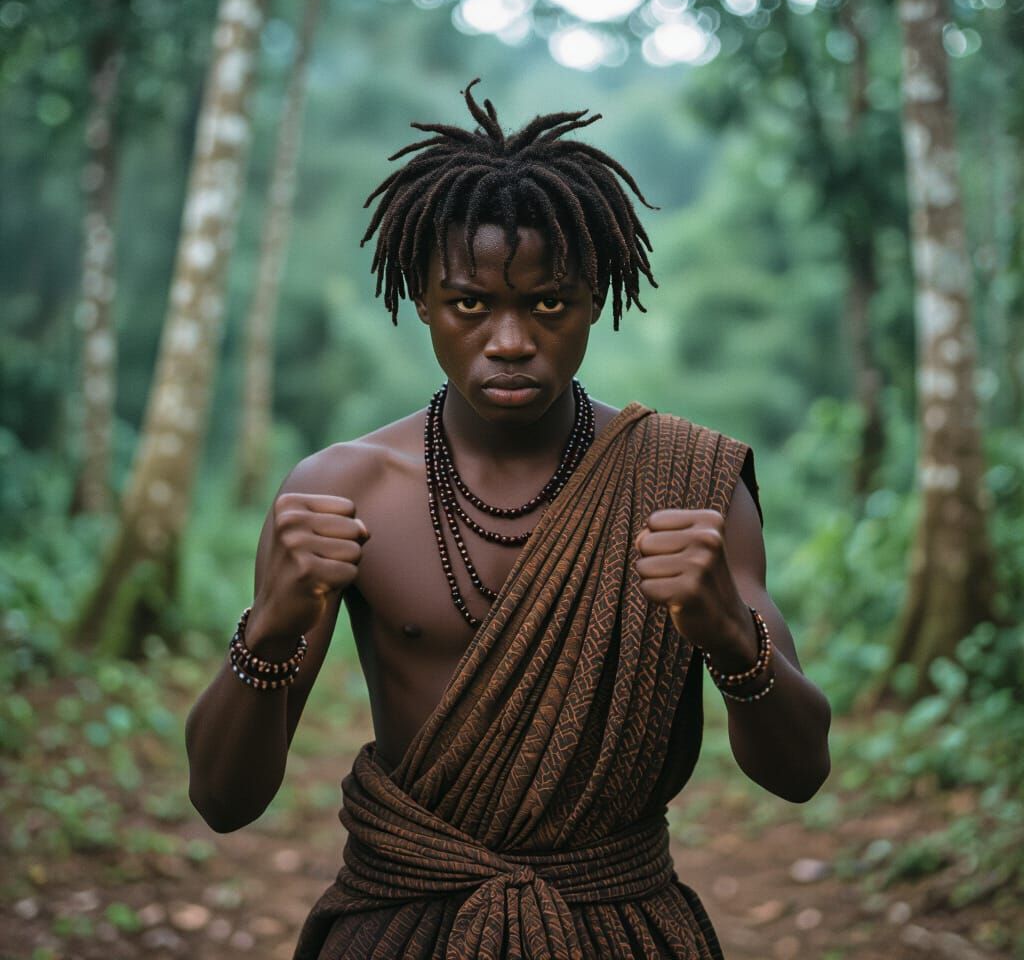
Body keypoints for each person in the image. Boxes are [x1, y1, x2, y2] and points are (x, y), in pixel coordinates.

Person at [185, 80, 831, 959]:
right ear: (419, 298)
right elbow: (224, 800)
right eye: (471, 303)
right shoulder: (340, 492)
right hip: (405, 923)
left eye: (548, 303)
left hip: (617, 925)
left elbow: (799, 774)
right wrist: (267, 632)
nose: (511, 339)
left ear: (597, 298)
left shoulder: (690, 485)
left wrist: (728, 635)